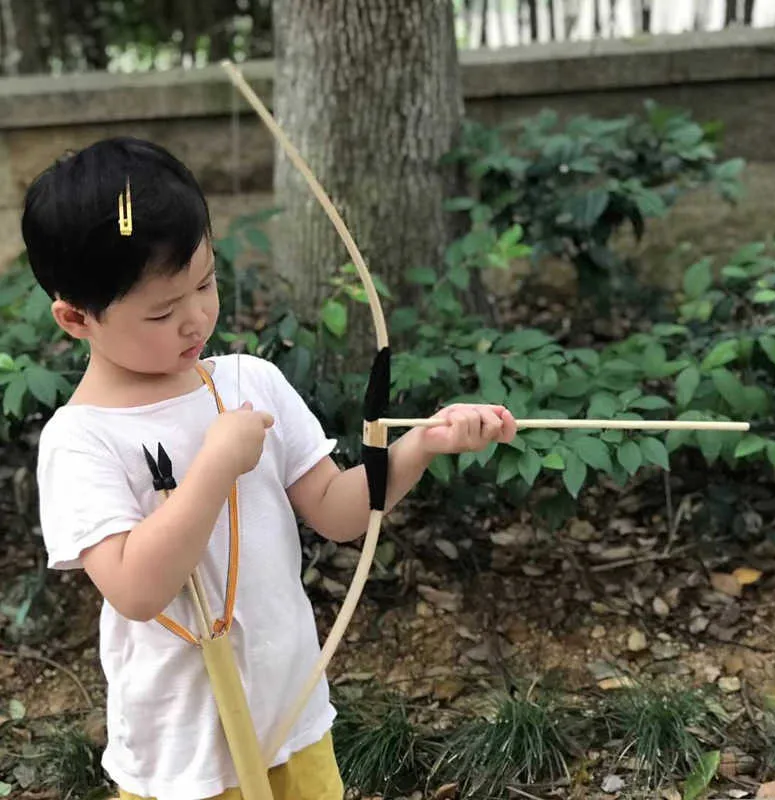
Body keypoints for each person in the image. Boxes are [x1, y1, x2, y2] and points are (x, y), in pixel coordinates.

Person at [21, 136, 517, 800]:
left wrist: (422, 444)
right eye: (163, 311)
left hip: (291, 719)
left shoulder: (249, 382)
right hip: (183, 754)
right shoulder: (80, 440)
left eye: (206, 281)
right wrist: (214, 466)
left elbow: (340, 512)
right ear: (75, 318)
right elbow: (136, 589)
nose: (197, 317)